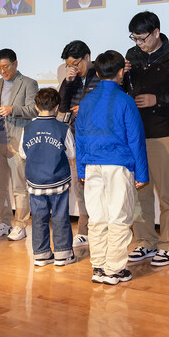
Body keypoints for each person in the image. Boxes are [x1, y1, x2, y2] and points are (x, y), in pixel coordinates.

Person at [124, 11, 169, 267]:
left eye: (142, 38)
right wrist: (122, 75)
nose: (138, 44)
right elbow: (126, 90)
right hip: (135, 133)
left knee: (167, 193)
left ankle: (168, 244)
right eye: (134, 38)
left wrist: (158, 100)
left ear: (156, 32)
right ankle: (144, 240)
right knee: (139, 191)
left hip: (164, 133)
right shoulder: (132, 56)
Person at [75, 50, 149, 285]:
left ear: (97, 73)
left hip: (91, 164)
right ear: (120, 73)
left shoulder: (86, 101)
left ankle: (98, 266)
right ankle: (114, 270)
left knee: (97, 217)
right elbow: (136, 139)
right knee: (119, 217)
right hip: (118, 165)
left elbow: (79, 137)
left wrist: (81, 169)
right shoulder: (126, 100)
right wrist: (142, 173)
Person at [0, 48, 38, 240]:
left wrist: (12, 109)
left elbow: (33, 110)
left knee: (19, 187)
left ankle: (20, 225)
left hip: (17, 141)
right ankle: (4, 222)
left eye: (5, 67)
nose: (2, 71)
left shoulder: (29, 83)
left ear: (15, 63)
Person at [20, 88, 76, 267]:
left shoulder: (27, 128)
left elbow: (23, 153)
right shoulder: (63, 128)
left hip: (36, 183)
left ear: (36, 107)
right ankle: (62, 254)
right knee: (60, 217)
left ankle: (41, 254)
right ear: (57, 107)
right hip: (58, 182)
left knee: (38, 218)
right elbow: (71, 153)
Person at [58, 40, 99, 247]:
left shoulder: (101, 74)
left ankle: (99, 229)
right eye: (69, 65)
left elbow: (107, 104)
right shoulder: (71, 80)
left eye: (76, 64)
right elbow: (62, 108)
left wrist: (86, 109)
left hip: (97, 140)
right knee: (80, 186)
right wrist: (68, 82)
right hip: (76, 139)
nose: (73, 68)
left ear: (87, 57)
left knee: (98, 186)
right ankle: (84, 230)